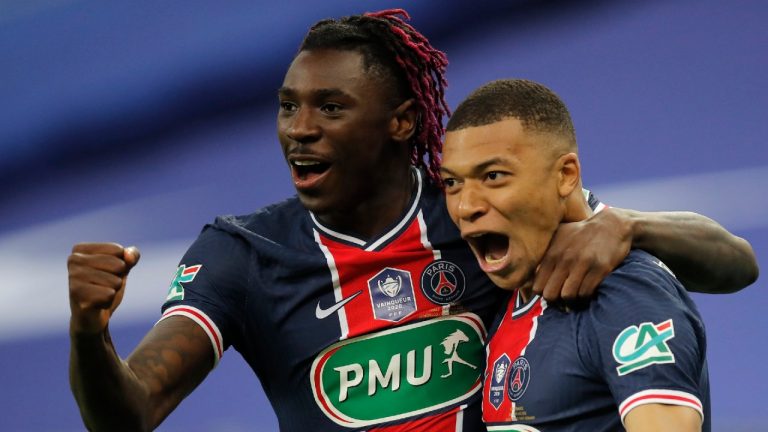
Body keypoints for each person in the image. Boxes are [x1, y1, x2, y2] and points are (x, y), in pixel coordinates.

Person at [67, 10, 758, 432]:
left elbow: (735, 263)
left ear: (400, 123)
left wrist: (630, 224)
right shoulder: (240, 255)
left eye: (330, 108)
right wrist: (89, 333)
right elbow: (130, 414)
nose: (298, 131)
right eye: (287, 106)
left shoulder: (477, 210)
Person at [439, 79, 755, 431]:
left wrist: (628, 226)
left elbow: (741, 264)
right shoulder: (512, 280)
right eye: (452, 183)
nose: (466, 206)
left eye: (494, 176)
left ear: (565, 175)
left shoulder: (625, 295)